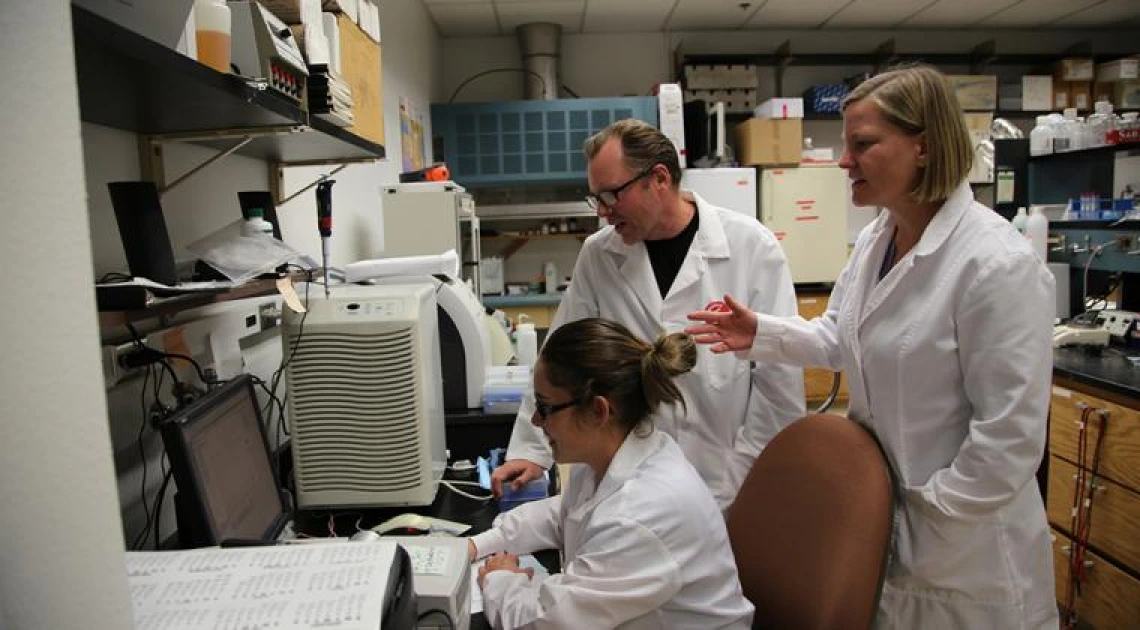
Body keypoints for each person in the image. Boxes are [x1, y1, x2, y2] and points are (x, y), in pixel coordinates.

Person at [687, 64, 1058, 628]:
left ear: (924, 148)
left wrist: (927, 519)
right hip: (889, 530)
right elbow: (841, 335)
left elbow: (1010, 439)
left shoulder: (995, 265)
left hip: (966, 556)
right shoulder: (876, 240)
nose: (842, 161)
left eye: (862, 144)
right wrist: (758, 333)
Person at [491, 118, 805, 508]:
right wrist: (530, 450)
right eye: (596, 198)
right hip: (624, 478)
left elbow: (780, 386)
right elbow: (559, 357)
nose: (603, 212)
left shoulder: (751, 247)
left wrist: (743, 477)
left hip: (727, 478)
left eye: (611, 195)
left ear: (658, 179)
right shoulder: (599, 254)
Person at [469, 318, 754, 629]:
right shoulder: (622, 454)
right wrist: (482, 543)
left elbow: (541, 623)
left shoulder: (640, 514)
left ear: (598, 411)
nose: (536, 421)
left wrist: (499, 581)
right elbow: (563, 514)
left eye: (546, 407)